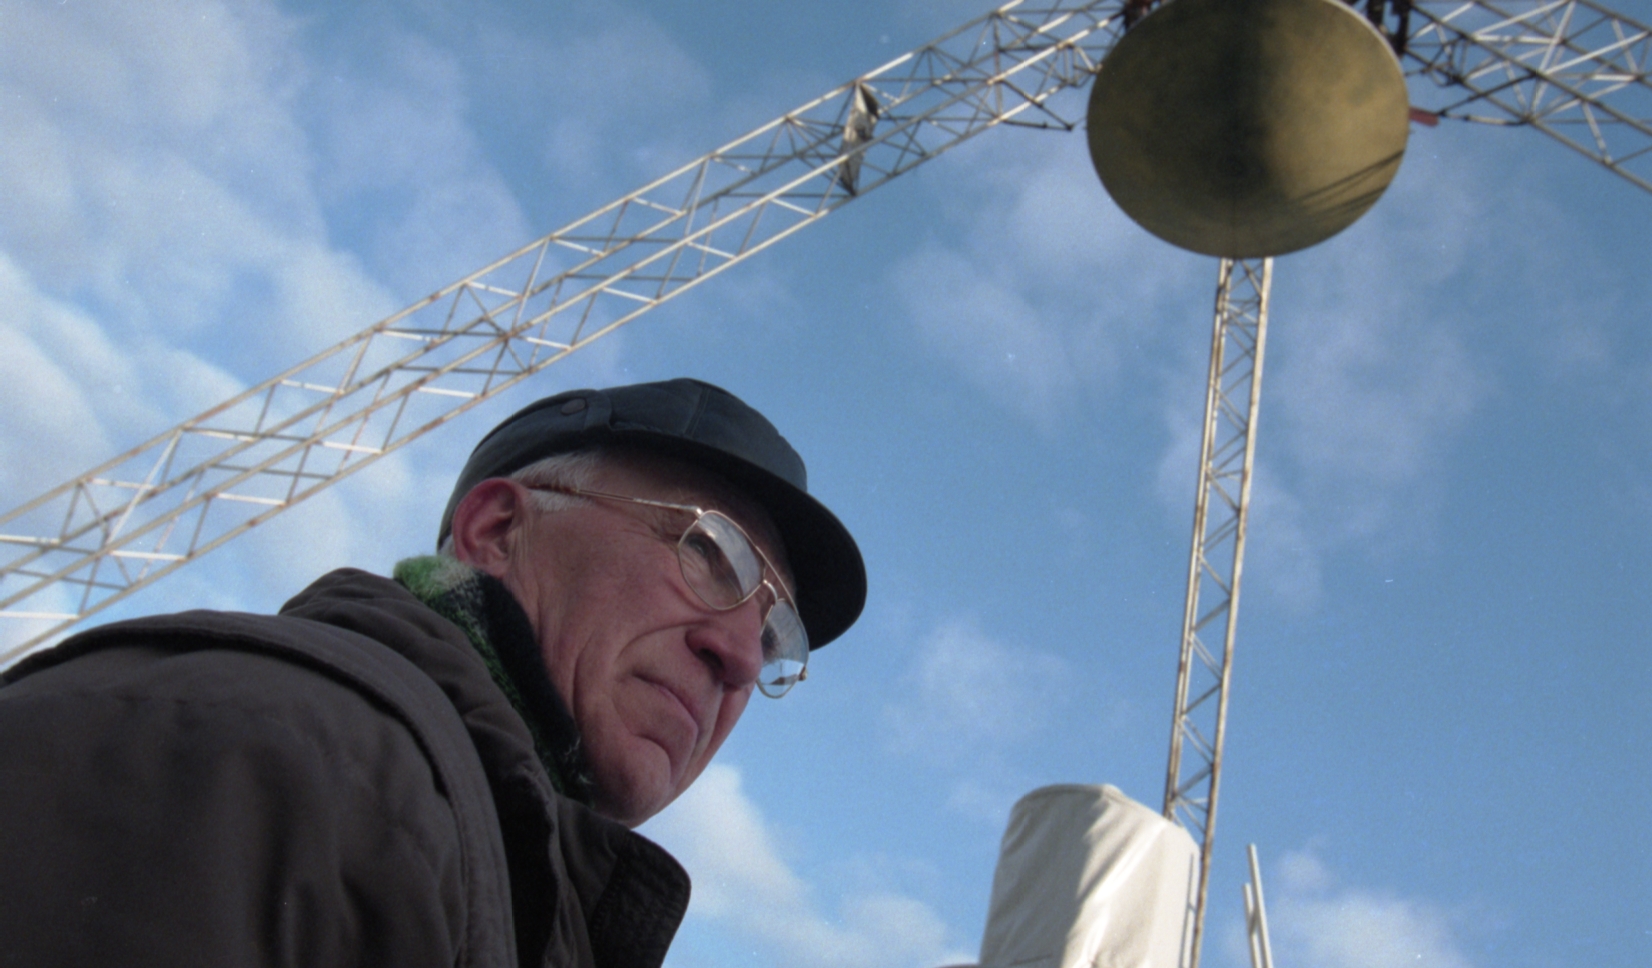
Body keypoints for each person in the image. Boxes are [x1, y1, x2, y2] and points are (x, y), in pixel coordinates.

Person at [0, 378, 866, 968]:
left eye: (774, 632)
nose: (741, 656)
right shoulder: (259, 752)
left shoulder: (497, 877)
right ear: (496, 531)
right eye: (710, 551)